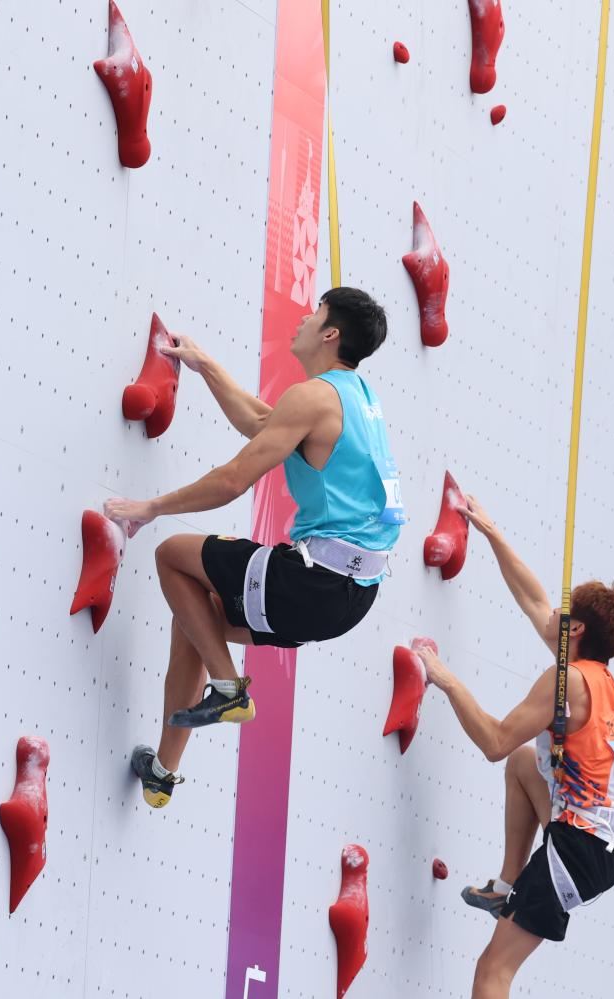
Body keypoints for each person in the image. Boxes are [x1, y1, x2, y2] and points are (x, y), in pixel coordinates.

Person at [104, 287, 405, 807]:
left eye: (316, 312)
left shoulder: (314, 397)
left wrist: (150, 507)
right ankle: (162, 776)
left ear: (331, 334)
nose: (304, 318)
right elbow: (263, 424)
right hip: (352, 596)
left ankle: (228, 687)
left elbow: (233, 481)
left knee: (172, 555)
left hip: (315, 579)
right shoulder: (358, 398)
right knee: (195, 615)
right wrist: (206, 366)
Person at [417, 496, 614, 999]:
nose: (553, 612)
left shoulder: (569, 682)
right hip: (606, 838)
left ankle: (514, 890)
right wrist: (492, 532)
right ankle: (506, 885)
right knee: (524, 764)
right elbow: (533, 599)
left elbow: (495, 741)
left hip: (584, 846)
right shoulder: (594, 674)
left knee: (492, 970)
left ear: (575, 630)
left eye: (566, 610)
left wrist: (444, 678)